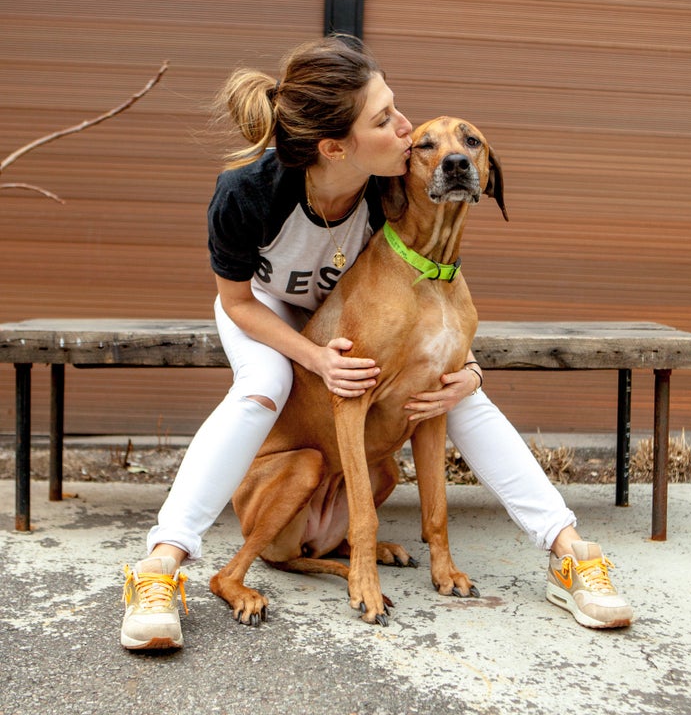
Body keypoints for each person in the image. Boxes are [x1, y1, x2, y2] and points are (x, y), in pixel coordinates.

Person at [120, 35, 633, 650]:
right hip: (265, 310)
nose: (406, 128)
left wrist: (466, 368)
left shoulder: (392, 185)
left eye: (397, 107)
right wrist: (313, 357)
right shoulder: (250, 193)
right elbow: (236, 303)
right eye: (385, 118)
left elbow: (421, 292)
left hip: (359, 309)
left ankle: (569, 550)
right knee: (264, 384)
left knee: (456, 396)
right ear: (337, 147)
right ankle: (162, 564)